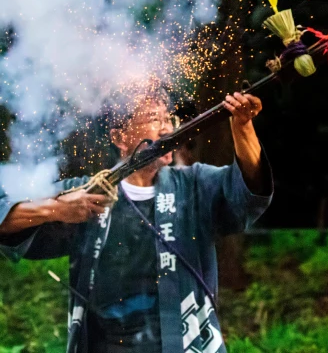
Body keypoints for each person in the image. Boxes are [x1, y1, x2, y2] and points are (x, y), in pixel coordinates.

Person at [0, 86, 273, 353]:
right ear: (119, 137)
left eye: (170, 119)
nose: (168, 129)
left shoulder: (195, 184)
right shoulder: (87, 193)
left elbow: (248, 193)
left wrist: (242, 126)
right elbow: (5, 216)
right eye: (155, 119)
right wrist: (57, 209)